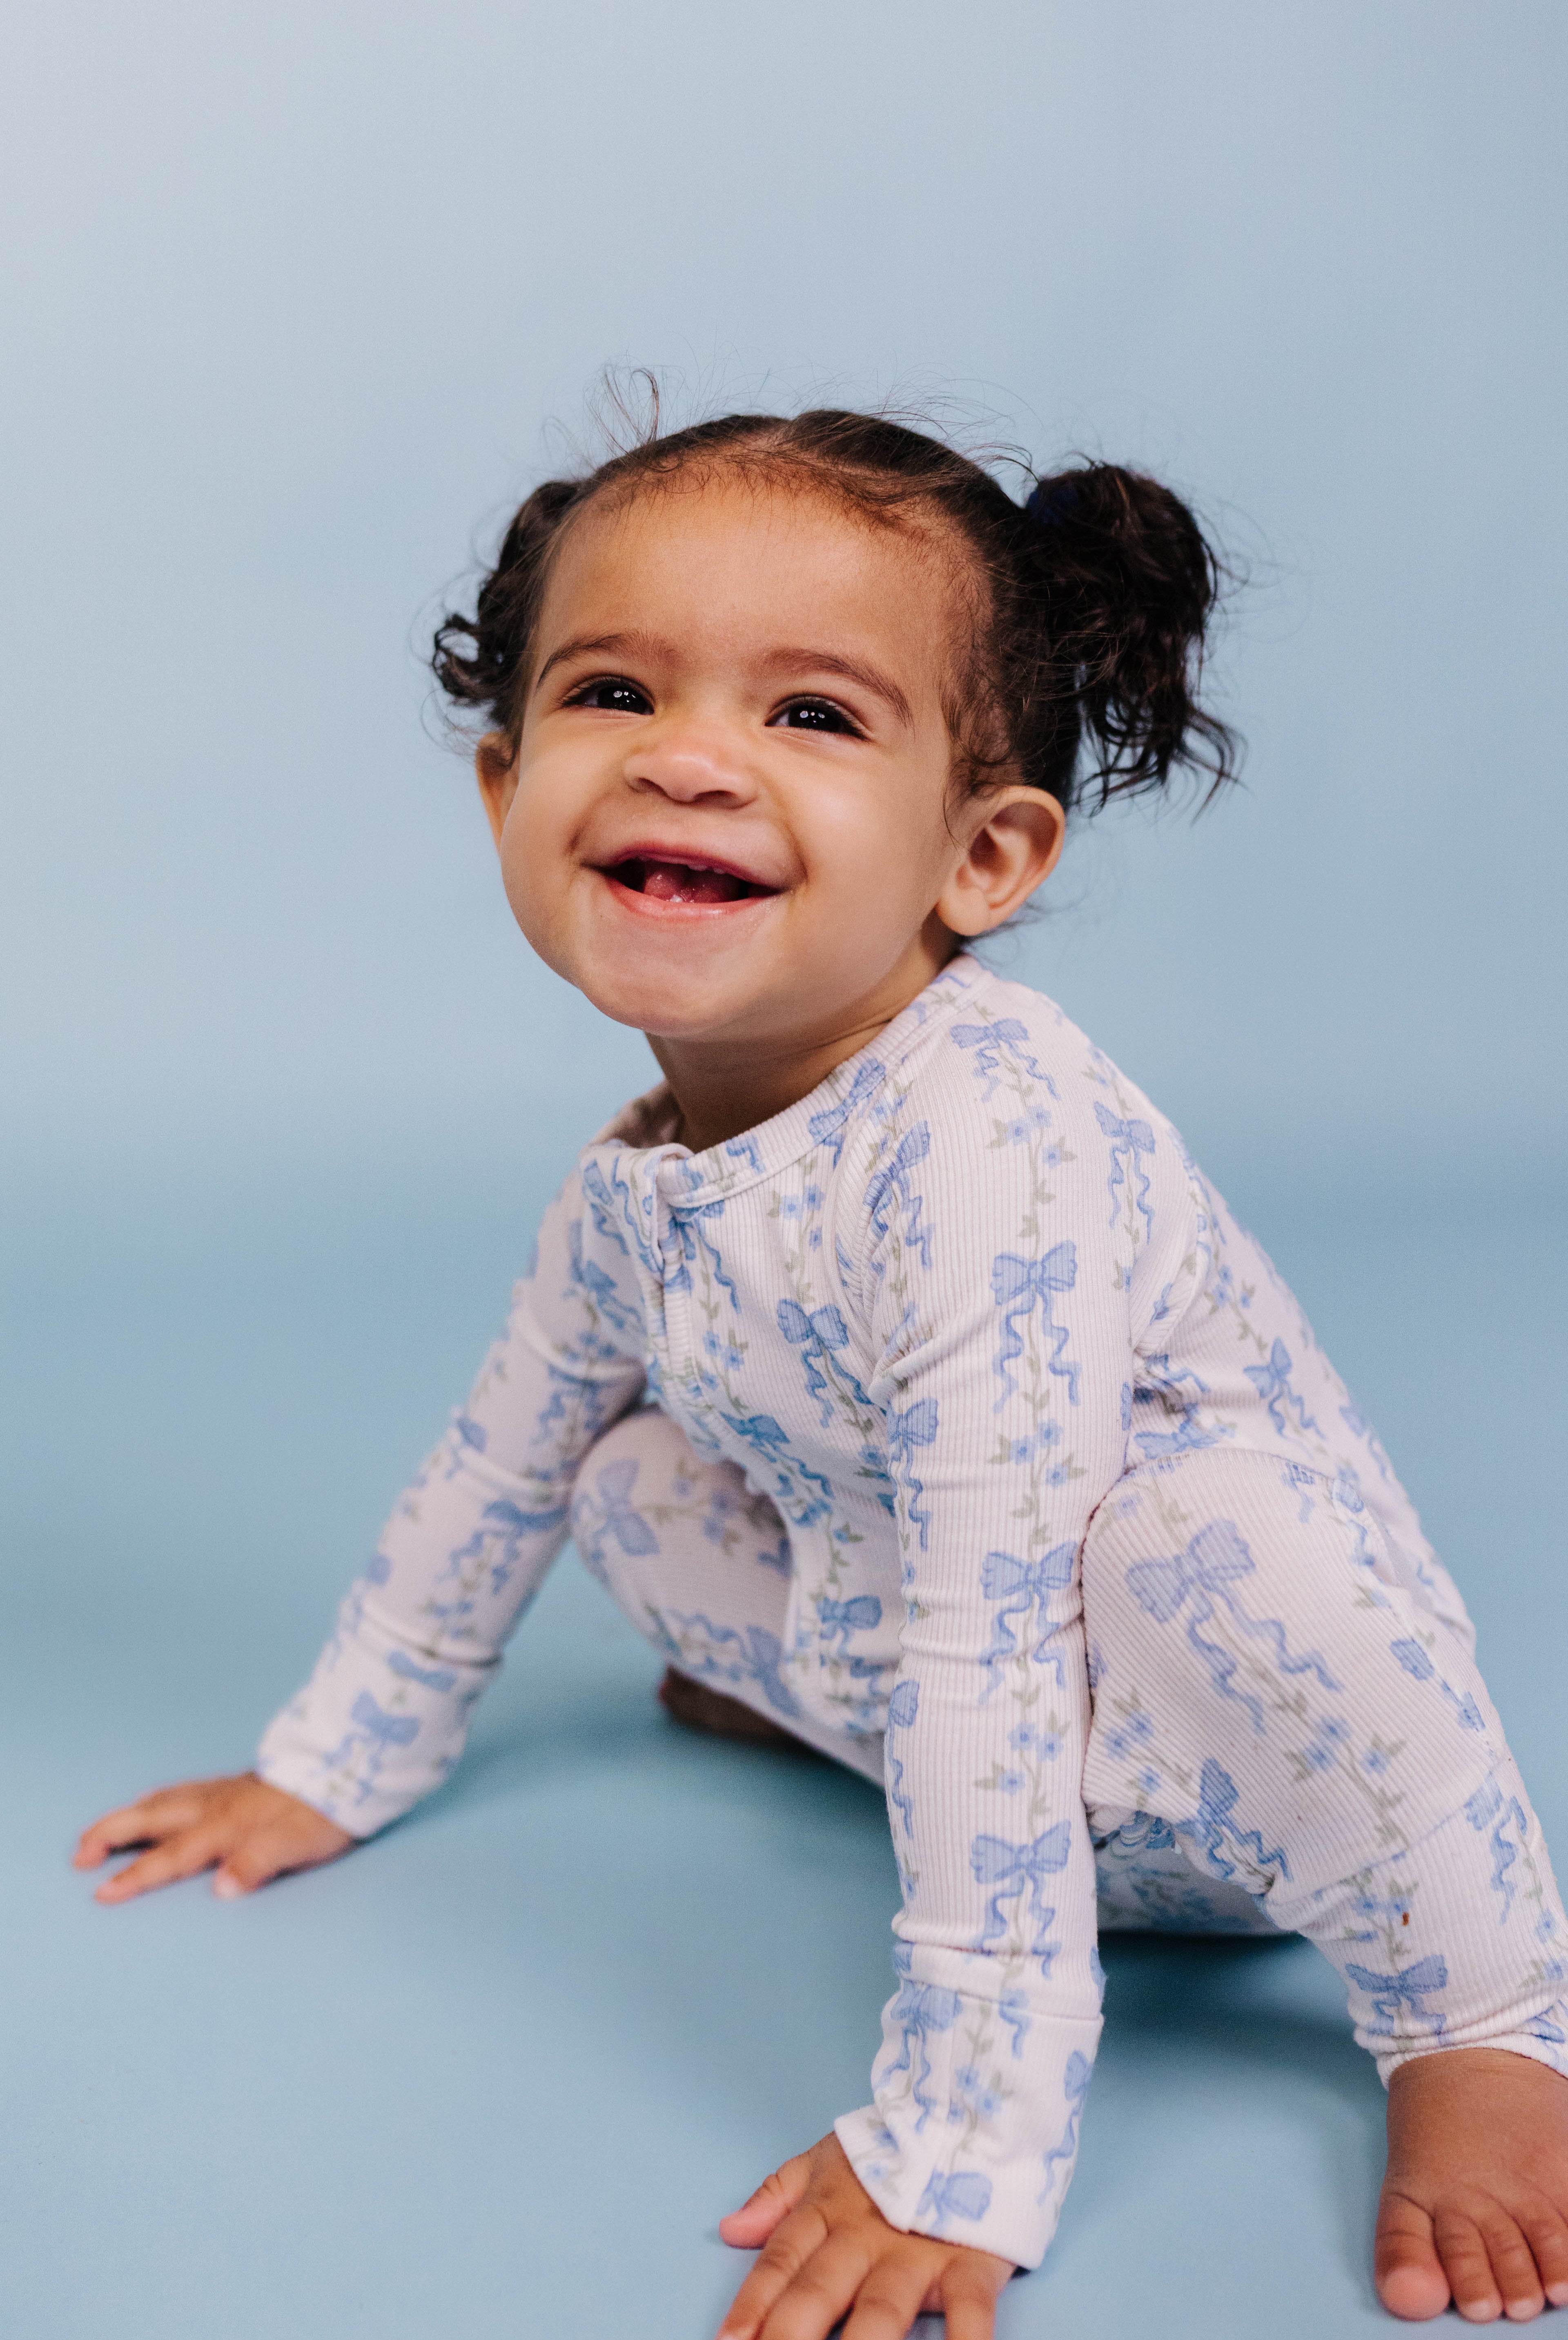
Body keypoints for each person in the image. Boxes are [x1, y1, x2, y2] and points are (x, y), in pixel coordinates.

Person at [74, 408, 1568, 2335]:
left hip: (1230, 1763)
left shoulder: (985, 1148)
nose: (690, 754)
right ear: (507, 785)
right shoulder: (640, 1177)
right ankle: (836, 1733)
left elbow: (992, 1622)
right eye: (616, 689)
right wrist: (327, 1767)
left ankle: (1481, 2015)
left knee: (1208, 1539)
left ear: (983, 852)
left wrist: (958, 2138)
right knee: (620, 1477)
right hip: (952, 1701)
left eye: (814, 716)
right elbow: (502, 1455)